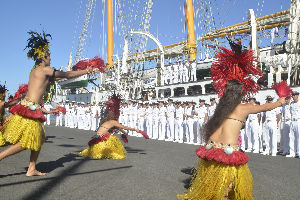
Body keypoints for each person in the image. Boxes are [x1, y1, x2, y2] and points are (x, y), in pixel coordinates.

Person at [177, 40, 285, 199]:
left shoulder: (222, 107)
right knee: (227, 188)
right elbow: (266, 107)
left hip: (211, 148)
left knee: (213, 186)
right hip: (227, 152)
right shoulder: (242, 108)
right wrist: (280, 101)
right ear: (240, 92)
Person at [0, 31, 103, 176]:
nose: (50, 57)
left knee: (40, 137)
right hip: (30, 109)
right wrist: (85, 70)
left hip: (27, 106)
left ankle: (31, 168)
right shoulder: (45, 70)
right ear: (43, 56)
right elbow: (67, 75)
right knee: (26, 143)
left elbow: (60, 79)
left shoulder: (36, 71)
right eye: (49, 55)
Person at [78, 94, 145, 159]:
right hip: (102, 140)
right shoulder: (113, 122)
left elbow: (118, 128)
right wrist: (136, 130)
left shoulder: (105, 120)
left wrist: (124, 132)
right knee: (115, 140)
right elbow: (125, 127)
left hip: (96, 138)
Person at [287, 91, 300, 158]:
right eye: (292, 95)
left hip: (298, 121)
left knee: (298, 137)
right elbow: (290, 112)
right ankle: (292, 152)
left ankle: (298, 152)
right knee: (291, 137)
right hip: (292, 121)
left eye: (294, 95)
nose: (293, 96)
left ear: (297, 95)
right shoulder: (291, 103)